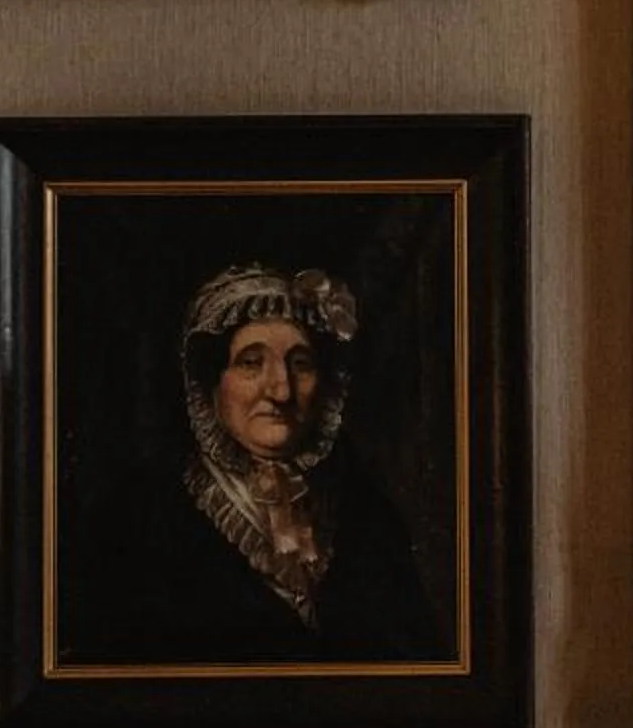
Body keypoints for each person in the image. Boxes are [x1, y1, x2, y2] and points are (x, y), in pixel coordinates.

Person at [57, 263, 445, 665]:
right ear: (210, 384)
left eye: (300, 364)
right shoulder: (140, 516)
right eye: (250, 363)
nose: (280, 389)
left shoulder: (368, 514)